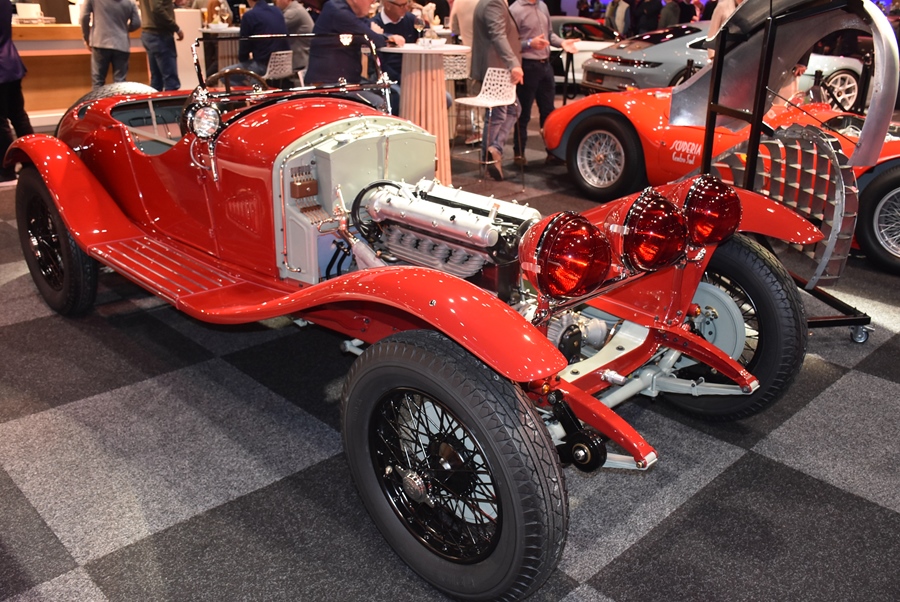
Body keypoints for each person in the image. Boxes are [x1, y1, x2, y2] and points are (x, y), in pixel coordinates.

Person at [509, 0, 575, 166]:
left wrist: (562, 42)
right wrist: (529, 43)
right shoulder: (515, 10)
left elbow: (549, 35)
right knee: (523, 113)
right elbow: (510, 42)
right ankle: (519, 153)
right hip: (527, 66)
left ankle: (552, 152)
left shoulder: (542, 6)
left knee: (549, 112)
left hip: (545, 65)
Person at [305, 0, 405, 109]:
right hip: (330, 85)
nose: (372, 2)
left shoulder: (348, 11)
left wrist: (387, 37)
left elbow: (368, 29)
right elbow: (372, 38)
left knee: (393, 93)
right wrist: (384, 37)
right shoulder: (337, 10)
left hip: (347, 81)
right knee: (380, 102)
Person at [470, 0, 523, 180]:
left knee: (512, 110)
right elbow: (498, 35)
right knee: (499, 114)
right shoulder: (494, 3)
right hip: (495, 68)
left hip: (496, 67)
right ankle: (490, 158)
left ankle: (494, 150)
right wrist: (513, 64)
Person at [1, 0, 33, 182]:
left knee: (1, 122)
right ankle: (31, 162)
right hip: (11, 62)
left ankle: (6, 170)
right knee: (18, 116)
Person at [80, 0, 142, 90]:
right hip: (122, 43)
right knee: (120, 83)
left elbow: (84, 17)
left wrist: (86, 37)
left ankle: (99, 99)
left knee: (98, 81)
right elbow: (137, 23)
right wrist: (123, 29)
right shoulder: (130, 1)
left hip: (100, 42)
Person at [230, 0, 290, 78]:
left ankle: (253, 85)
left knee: (225, 75)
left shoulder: (249, 16)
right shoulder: (277, 11)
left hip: (263, 65)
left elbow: (244, 50)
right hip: (284, 64)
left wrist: (244, 60)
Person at [139, 0, 185, 91]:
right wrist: (176, 28)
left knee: (156, 80)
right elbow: (156, 8)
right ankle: (171, 101)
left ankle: (156, 100)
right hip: (160, 35)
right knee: (171, 81)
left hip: (150, 33)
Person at [274, 0, 313, 78]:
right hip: (301, 55)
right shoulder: (295, 8)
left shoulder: (295, 11)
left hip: (301, 58)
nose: (276, 2)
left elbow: (273, 26)